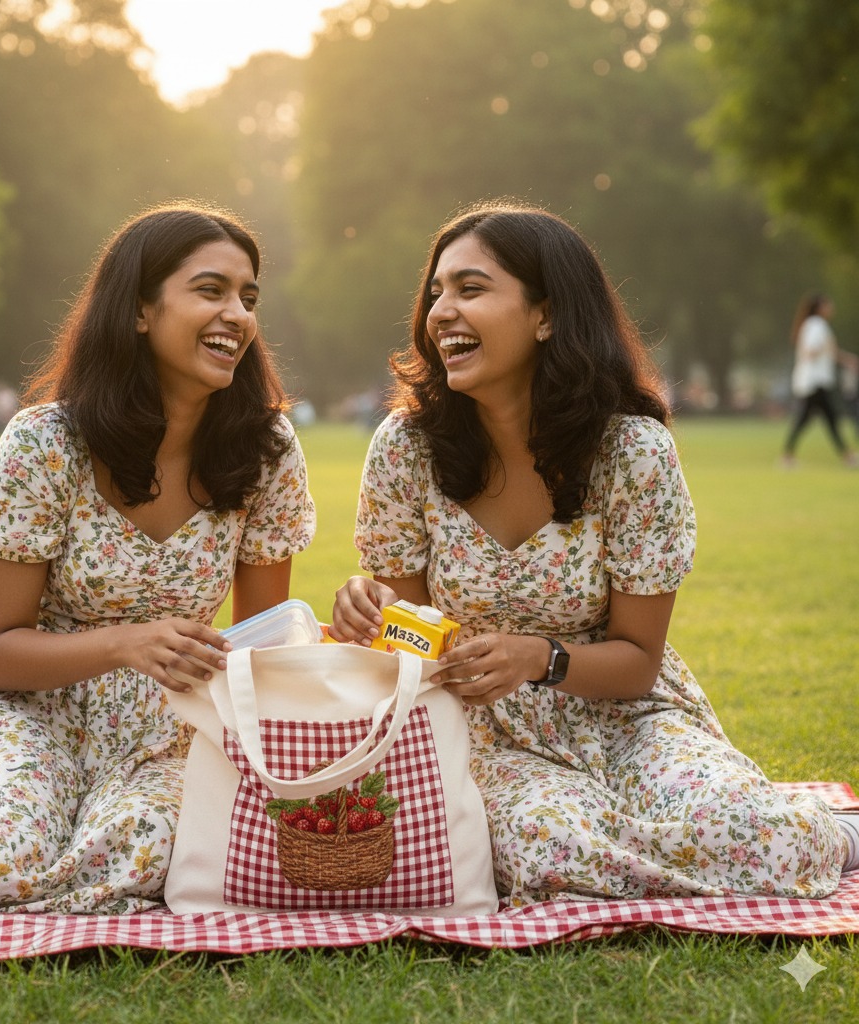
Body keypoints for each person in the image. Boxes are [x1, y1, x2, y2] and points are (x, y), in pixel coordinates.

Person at [331, 202, 858, 905]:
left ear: (546, 315)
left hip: (625, 714)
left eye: (472, 289)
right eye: (437, 292)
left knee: (763, 832)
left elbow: (638, 661)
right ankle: (664, 853)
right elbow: (412, 643)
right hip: (485, 731)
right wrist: (370, 616)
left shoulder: (632, 452)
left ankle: (834, 836)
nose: (441, 312)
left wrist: (538, 656)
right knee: (551, 846)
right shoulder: (405, 449)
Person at [0, 203, 316, 912]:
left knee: (150, 850)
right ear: (140, 310)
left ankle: (19, 857)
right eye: (210, 290)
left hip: (170, 725)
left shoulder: (265, 452)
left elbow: (261, 646)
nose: (237, 315)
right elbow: (0, 652)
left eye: (248, 299)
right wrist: (126, 643)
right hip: (30, 709)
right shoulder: (45, 444)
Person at [782, 292, 859, 467]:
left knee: (811, 419)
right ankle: (847, 456)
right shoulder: (816, 325)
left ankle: (787, 456)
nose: (831, 308)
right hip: (815, 381)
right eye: (828, 305)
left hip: (814, 381)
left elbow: (830, 353)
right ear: (820, 308)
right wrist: (820, 351)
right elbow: (811, 351)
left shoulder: (813, 325)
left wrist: (848, 360)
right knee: (828, 418)